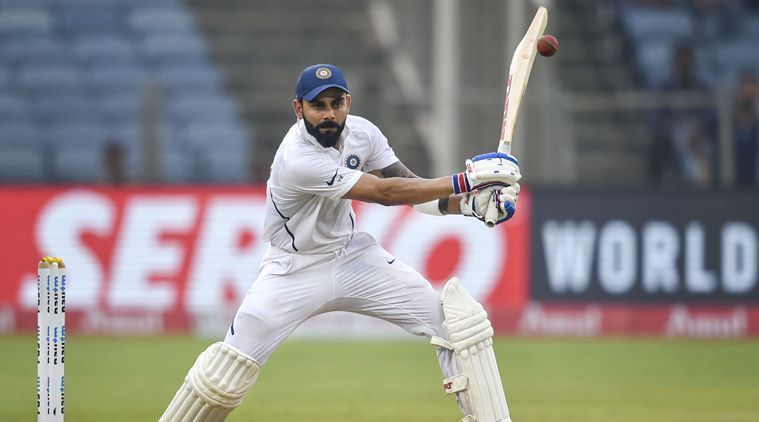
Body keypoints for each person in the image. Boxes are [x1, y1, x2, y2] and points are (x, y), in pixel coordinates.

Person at [160, 64, 522, 422]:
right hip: (292, 270)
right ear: (298, 109)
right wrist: (467, 179)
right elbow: (385, 192)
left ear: (348, 101)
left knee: (460, 325)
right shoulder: (296, 158)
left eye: (337, 103)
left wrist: (470, 205)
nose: (329, 114)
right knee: (221, 377)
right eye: (318, 106)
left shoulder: (364, 133)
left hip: (353, 257)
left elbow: (412, 188)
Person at [732, 69, 758, 187]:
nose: (748, 91)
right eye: (744, 85)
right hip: (730, 183)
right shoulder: (725, 121)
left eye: (752, 85)